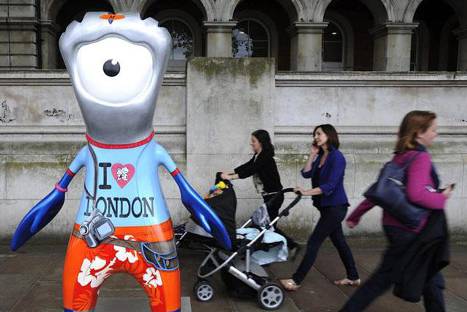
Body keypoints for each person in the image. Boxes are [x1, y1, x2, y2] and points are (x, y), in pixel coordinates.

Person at [342, 110, 452, 312]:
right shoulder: (420, 158)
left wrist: (356, 215)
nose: (436, 134)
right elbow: (416, 194)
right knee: (383, 280)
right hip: (413, 231)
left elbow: (380, 190)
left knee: (431, 279)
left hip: (395, 227)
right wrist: (441, 198)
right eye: (433, 130)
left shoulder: (400, 157)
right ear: (419, 133)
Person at [280, 124, 360, 291]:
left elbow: (330, 186)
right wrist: (312, 155)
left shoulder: (337, 157)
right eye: (314, 134)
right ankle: (353, 277)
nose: (316, 137)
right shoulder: (322, 155)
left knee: (314, 242)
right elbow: (306, 173)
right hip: (325, 207)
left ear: (329, 135)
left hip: (336, 207)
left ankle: (296, 280)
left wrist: (306, 191)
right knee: (339, 242)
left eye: (319, 134)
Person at [221, 129, 299, 256]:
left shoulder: (265, 157)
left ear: (261, 142)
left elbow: (251, 170)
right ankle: (279, 246)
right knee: (267, 225)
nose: (251, 144)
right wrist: (229, 172)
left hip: (275, 196)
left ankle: (285, 246)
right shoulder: (258, 155)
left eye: (253, 141)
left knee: (265, 226)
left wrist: (231, 177)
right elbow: (247, 166)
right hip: (269, 196)